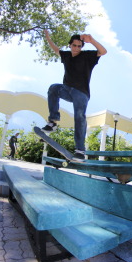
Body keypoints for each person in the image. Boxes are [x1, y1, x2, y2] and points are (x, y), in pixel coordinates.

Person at [42, 29, 107, 162]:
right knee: (53, 88)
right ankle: (53, 122)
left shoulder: (87, 56)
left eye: (79, 46)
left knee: (79, 116)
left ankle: (80, 151)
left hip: (81, 93)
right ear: (70, 45)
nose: (76, 48)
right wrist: (48, 37)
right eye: (74, 45)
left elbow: (103, 52)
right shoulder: (65, 55)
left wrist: (92, 40)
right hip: (66, 90)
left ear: (82, 47)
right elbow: (55, 49)